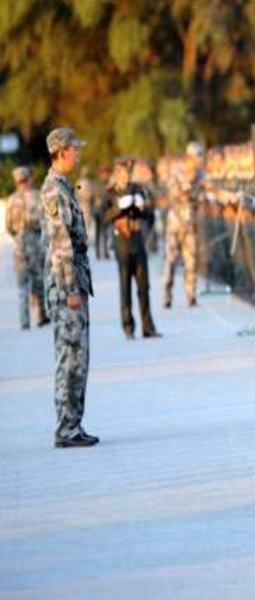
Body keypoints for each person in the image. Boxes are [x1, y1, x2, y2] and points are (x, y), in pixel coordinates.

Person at [41, 127, 98, 448]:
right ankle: (65, 429)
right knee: (69, 357)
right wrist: (71, 289)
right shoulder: (54, 191)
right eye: (75, 149)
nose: (78, 154)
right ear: (61, 152)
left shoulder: (63, 187)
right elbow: (60, 245)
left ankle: (75, 424)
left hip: (75, 280)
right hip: (66, 288)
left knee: (80, 356)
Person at [106, 158, 161, 340]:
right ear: (116, 174)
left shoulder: (138, 189)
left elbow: (150, 215)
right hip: (122, 243)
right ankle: (128, 327)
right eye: (122, 172)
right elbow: (103, 216)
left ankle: (148, 327)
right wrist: (117, 208)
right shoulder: (111, 192)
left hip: (138, 240)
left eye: (129, 172)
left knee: (144, 287)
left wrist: (142, 207)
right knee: (125, 287)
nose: (126, 176)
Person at [4, 166, 49, 329]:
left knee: (22, 284)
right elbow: (45, 220)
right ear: (28, 178)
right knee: (38, 281)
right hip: (35, 242)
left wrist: (17, 235)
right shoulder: (37, 196)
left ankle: (24, 321)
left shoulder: (11, 200)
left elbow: (8, 225)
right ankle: (41, 316)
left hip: (19, 245)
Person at [163, 141, 205, 308]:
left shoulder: (201, 175)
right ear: (190, 157)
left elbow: (211, 188)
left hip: (191, 224)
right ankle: (167, 295)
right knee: (171, 260)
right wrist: (189, 188)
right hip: (175, 223)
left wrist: (231, 196)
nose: (201, 159)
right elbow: (173, 196)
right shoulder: (177, 173)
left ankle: (191, 295)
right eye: (199, 156)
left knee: (192, 260)